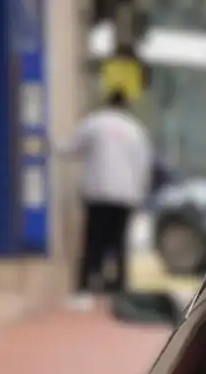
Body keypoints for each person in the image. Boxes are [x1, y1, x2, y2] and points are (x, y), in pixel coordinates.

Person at [66, 90, 154, 310]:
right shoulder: (135, 130)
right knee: (118, 244)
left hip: (98, 192)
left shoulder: (95, 123)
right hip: (125, 195)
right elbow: (144, 164)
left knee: (93, 242)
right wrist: (139, 194)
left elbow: (73, 148)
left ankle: (85, 289)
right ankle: (119, 290)